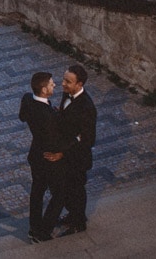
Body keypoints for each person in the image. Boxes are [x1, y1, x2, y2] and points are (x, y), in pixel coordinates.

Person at [19, 72, 71, 243]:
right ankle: (43, 231)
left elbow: (22, 116)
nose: (54, 85)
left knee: (37, 192)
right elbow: (54, 140)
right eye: (51, 83)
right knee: (60, 194)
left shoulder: (28, 99)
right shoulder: (49, 117)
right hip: (48, 159)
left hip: (35, 156)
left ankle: (34, 228)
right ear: (43, 89)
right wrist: (62, 153)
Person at [47, 64, 97, 236]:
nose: (63, 84)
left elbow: (87, 138)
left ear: (80, 84)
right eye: (64, 79)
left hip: (77, 157)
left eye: (68, 81)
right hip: (65, 153)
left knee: (76, 189)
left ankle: (79, 222)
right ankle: (73, 215)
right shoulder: (67, 94)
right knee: (65, 188)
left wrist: (63, 152)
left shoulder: (87, 107)